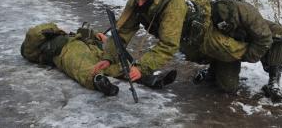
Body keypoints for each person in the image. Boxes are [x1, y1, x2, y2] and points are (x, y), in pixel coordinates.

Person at [93, 0, 282, 102]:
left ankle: (273, 80)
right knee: (227, 86)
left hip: (223, 40)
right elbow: (124, 31)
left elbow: (169, 44)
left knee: (276, 35)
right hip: (202, 40)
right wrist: (108, 56)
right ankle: (215, 67)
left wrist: (141, 68)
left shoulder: (174, 6)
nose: (139, 2)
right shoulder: (137, 3)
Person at [20, 22, 176, 98]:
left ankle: (149, 78)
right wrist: (55, 30)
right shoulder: (32, 47)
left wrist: (96, 35)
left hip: (89, 45)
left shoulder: (56, 36)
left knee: (113, 63)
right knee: (83, 67)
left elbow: (81, 33)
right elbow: (34, 33)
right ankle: (99, 82)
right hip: (67, 52)